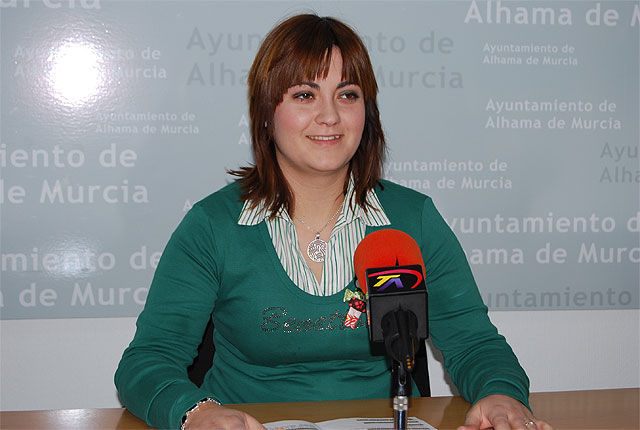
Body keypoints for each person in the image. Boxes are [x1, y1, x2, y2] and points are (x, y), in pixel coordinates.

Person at [115, 14, 552, 430]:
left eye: (347, 95)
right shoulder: (213, 226)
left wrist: (501, 395)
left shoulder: (412, 219)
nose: (330, 116)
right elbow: (147, 360)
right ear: (266, 112)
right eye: (305, 95)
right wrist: (195, 413)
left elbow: (475, 343)